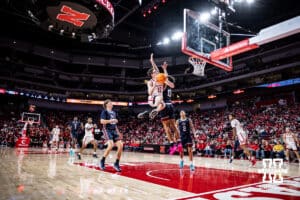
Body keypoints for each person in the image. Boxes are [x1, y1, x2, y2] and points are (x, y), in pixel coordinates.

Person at [100, 99, 123, 172]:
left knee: (121, 145)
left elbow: (114, 124)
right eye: (110, 103)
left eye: (112, 103)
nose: (112, 104)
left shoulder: (114, 112)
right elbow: (102, 121)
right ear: (106, 104)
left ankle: (116, 163)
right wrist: (111, 120)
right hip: (107, 130)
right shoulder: (104, 111)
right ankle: (102, 160)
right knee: (111, 145)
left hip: (114, 130)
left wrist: (118, 132)